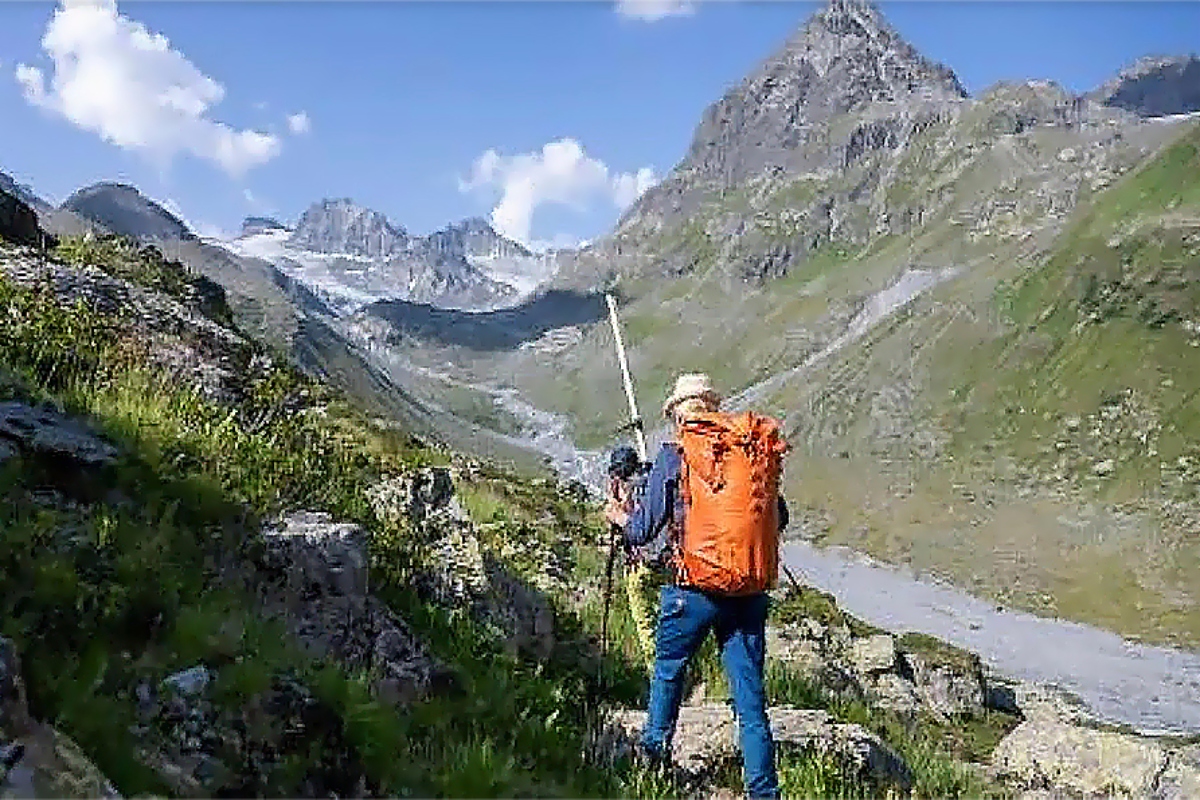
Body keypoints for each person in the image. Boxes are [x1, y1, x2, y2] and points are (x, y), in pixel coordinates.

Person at [605, 373, 788, 800]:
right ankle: (763, 792)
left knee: (668, 673)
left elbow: (641, 531)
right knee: (750, 702)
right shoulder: (748, 452)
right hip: (747, 594)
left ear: (677, 416)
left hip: (692, 592)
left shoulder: (675, 455)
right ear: (712, 407)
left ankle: (653, 758)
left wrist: (617, 516)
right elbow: (779, 518)